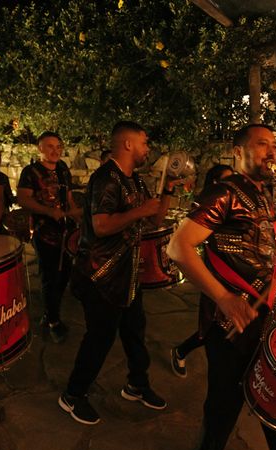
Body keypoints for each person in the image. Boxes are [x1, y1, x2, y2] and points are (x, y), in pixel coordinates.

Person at [167, 124, 276, 450]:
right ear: (238, 151)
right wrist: (223, 297)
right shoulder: (224, 193)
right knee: (225, 402)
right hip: (229, 326)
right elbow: (178, 246)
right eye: (262, 144)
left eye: (275, 144)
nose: (271, 151)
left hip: (269, 321)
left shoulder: (271, 198)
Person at [58, 120, 176, 425]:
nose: (148, 148)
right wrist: (139, 211)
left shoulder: (135, 181)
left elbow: (153, 220)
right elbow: (101, 226)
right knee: (100, 337)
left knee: (135, 330)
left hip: (126, 273)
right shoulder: (105, 179)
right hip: (99, 274)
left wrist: (168, 191)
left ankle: (137, 384)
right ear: (127, 144)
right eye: (144, 142)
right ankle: (72, 395)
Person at [17, 131, 81, 343]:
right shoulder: (31, 171)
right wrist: (48, 211)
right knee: (49, 275)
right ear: (40, 148)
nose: (55, 150)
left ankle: (49, 312)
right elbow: (23, 199)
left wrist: (76, 214)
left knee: (64, 274)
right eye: (50, 146)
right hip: (44, 231)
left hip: (65, 231)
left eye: (58, 146)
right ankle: (53, 320)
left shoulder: (63, 169)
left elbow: (68, 197)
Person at [170, 164, 234, 378]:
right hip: (216, 273)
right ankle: (181, 350)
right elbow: (180, 245)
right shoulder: (210, 205)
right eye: (227, 180)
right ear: (215, 183)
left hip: (236, 276)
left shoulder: (236, 203)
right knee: (211, 327)